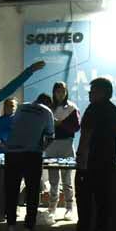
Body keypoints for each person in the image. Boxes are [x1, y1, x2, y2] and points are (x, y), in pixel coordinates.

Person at [73, 78, 116, 231]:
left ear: (101, 92)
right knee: (103, 196)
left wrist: (80, 154)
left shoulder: (92, 110)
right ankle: (101, 229)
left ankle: (83, 228)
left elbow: (86, 134)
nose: (89, 94)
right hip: (108, 161)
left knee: (84, 196)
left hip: (91, 160)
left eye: (92, 91)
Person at [3, 94, 55, 231]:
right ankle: (28, 226)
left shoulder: (21, 107)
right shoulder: (47, 111)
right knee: (32, 190)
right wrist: (41, 148)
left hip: (12, 152)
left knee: (12, 189)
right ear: (48, 104)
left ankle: (11, 225)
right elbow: (50, 136)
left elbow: (13, 126)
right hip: (32, 154)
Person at [43, 82, 80, 220]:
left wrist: (61, 124)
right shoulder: (48, 108)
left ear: (66, 92)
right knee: (53, 180)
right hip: (51, 145)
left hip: (66, 144)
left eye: (63, 91)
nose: (60, 93)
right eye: (58, 91)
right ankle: (52, 207)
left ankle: (69, 208)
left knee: (66, 179)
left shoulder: (71, 107)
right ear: (54, 92)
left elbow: (76, 127)